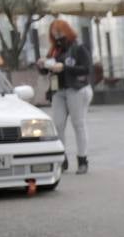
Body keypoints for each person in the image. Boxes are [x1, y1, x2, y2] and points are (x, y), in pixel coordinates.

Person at [39, 19, 93, 175]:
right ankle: (62, 160)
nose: (57, 36)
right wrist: (43, 65)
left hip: (76, 89)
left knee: (78, 124)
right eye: (54, 33)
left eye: (59, 31)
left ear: (67, 30)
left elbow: (87, 69)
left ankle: (82, 160)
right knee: (58, 125)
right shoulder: (54, 50)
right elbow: (48, 71)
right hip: (58, 91)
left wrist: (65, 67)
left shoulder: (78, 48)